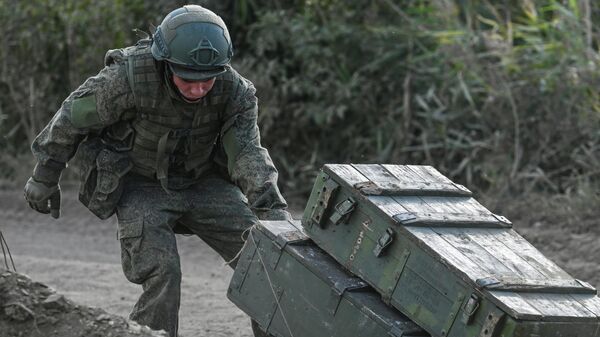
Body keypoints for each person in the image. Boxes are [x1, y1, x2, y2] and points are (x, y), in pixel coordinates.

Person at [23, 5, 289, 337]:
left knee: (266, 261)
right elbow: (72, 118)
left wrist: (272, 210)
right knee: (163, 271)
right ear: (166, 63)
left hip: (202, 182)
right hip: (139, 184)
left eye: (207, 80)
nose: (198, 89)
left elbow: (247, 152)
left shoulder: (234, 92)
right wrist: (45, 175)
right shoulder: (127, 79)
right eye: (188, 79)